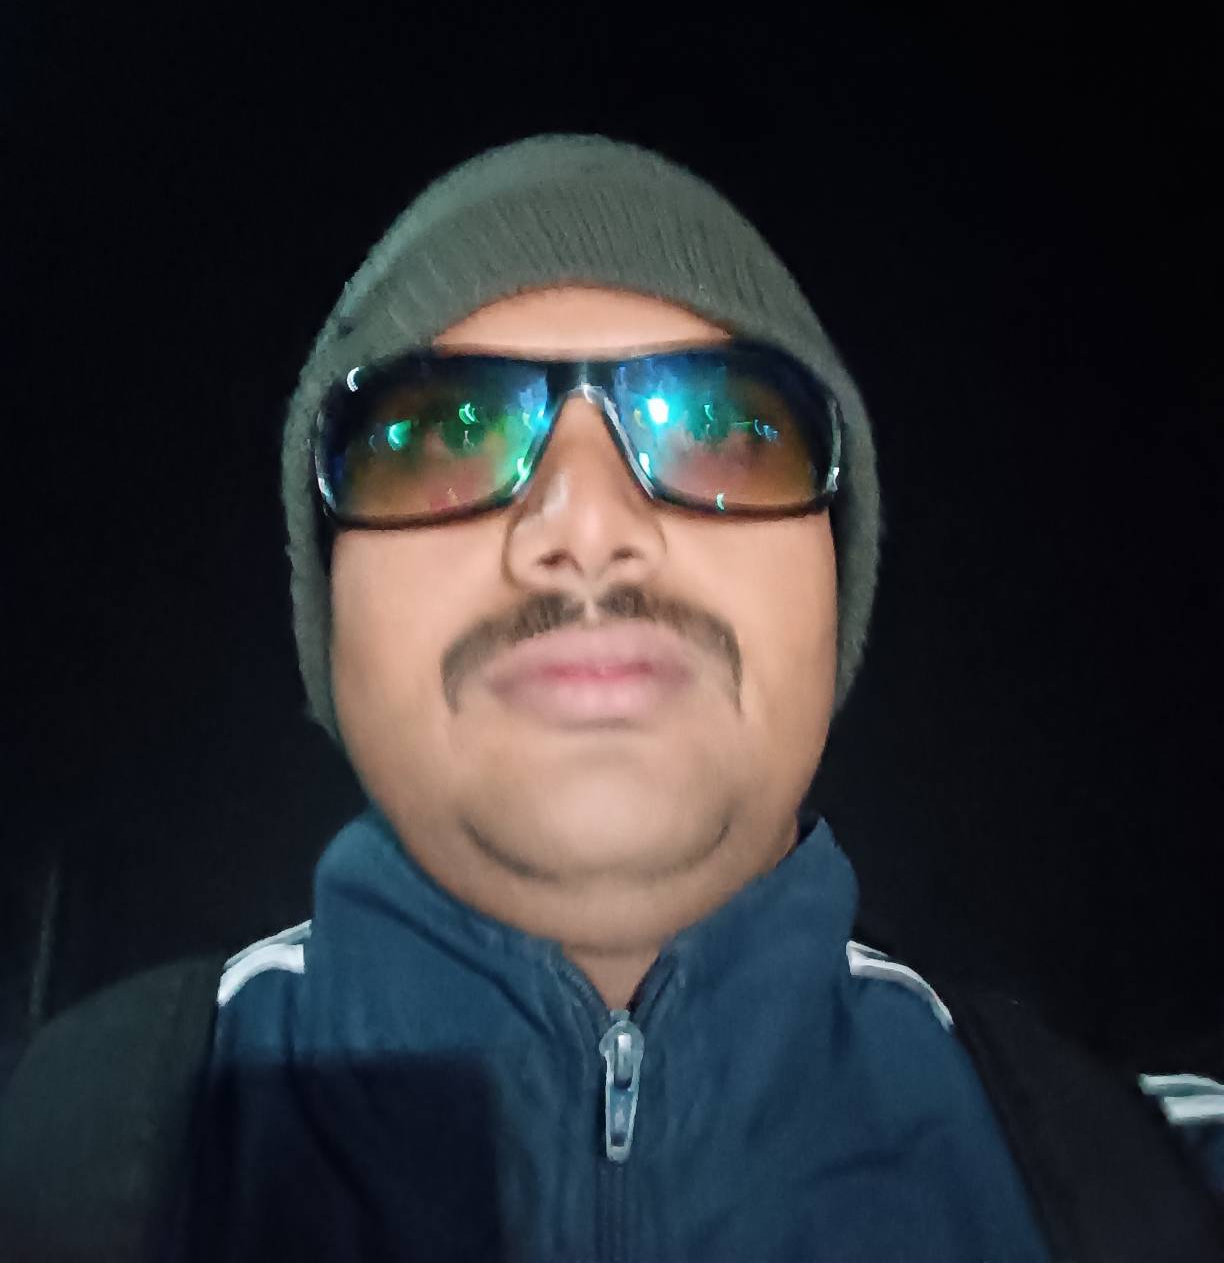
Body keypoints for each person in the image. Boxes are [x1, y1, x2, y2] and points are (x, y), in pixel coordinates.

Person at [2, 134, 1221, 1261]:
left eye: (723, 428)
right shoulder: (47, 1169)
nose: (586, 526)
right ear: (328, 615)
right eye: (444, 433)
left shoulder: (1168, 1180)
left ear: (836, 586)